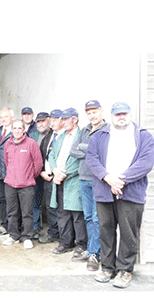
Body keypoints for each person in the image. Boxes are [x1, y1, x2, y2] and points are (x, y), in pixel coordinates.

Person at [87, 101, 154, 288]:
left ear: (130, 114)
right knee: (106, 230)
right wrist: (108, 178)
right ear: (111, 116)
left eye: (124, 113)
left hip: (131, 192)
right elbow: (91, 158)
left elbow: (146, 162)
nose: (121, 117)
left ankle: (125, 270)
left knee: (129, 233)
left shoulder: (143, 136)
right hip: (104, 190)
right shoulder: (99, 135)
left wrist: (120, 181)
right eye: (117, 114)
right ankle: (107, 268)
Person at [69, 100, 108, 271]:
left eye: (94, 112)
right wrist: (91, 150)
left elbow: (104, 153)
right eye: (89, 113)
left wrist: (85, 149)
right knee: (88, 217)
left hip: (98, 180)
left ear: (101, 111)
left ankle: (95, 254)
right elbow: (73, 150)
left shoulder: (107, 130)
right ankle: (91, 250)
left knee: (96, 218)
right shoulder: (84, 130)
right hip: (83, 178)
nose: (92, 115)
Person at [48, 108, 87, 257]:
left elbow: (79, 160)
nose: (62, 122)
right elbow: (51, 155)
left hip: (73, 181)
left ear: (75, 120)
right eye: (62, 119)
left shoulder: (82, 135)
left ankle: (81, 244)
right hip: (59, 179)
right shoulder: (61, 136)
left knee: (77, 214)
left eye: (65, 119)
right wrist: (55, 170)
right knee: (62, 213)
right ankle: (65, 242)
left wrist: (63, 174)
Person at [2, 119, 43, 249]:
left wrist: (29, 176)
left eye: (20, 128)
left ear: (23, 130)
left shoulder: (31, 143)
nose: (17, 131)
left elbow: (38, 164)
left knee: (27, 213)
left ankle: (27, 237)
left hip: (26, 185)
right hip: (10, 184)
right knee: (12, 212)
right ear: (12, 130)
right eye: (15, 128)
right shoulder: (8, 144)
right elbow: (6, 161)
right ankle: (13, 235)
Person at [38, 109, 65, 244]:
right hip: (48, 178)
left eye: (56, 120)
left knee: (63, 208)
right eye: (51, 120)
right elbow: (41, 156)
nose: (53, 123)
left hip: (62, 178)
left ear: (62, 120)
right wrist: (42, 171)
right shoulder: (48, 137)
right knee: (50, 207)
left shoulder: (66, 136)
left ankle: (65, 236)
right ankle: (53, 233)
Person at [0, 107, 14, 236]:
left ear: (12, 117)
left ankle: (14, 226)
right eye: (1, 117)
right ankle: (5, 225)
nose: (3, 119)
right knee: (2, 200)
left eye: (6, 117)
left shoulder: (16, 131)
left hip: (11, 174)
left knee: (13, 200)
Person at [29, 112, 51, 239]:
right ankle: (35, 227)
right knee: (35, 202)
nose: (41, 124)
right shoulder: (33, 135)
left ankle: (55, 231)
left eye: (43, 121)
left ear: (48, 121)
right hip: (36, 173)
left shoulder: (54, 134)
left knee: (51, 204)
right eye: (38, 121)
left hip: (49, 174)